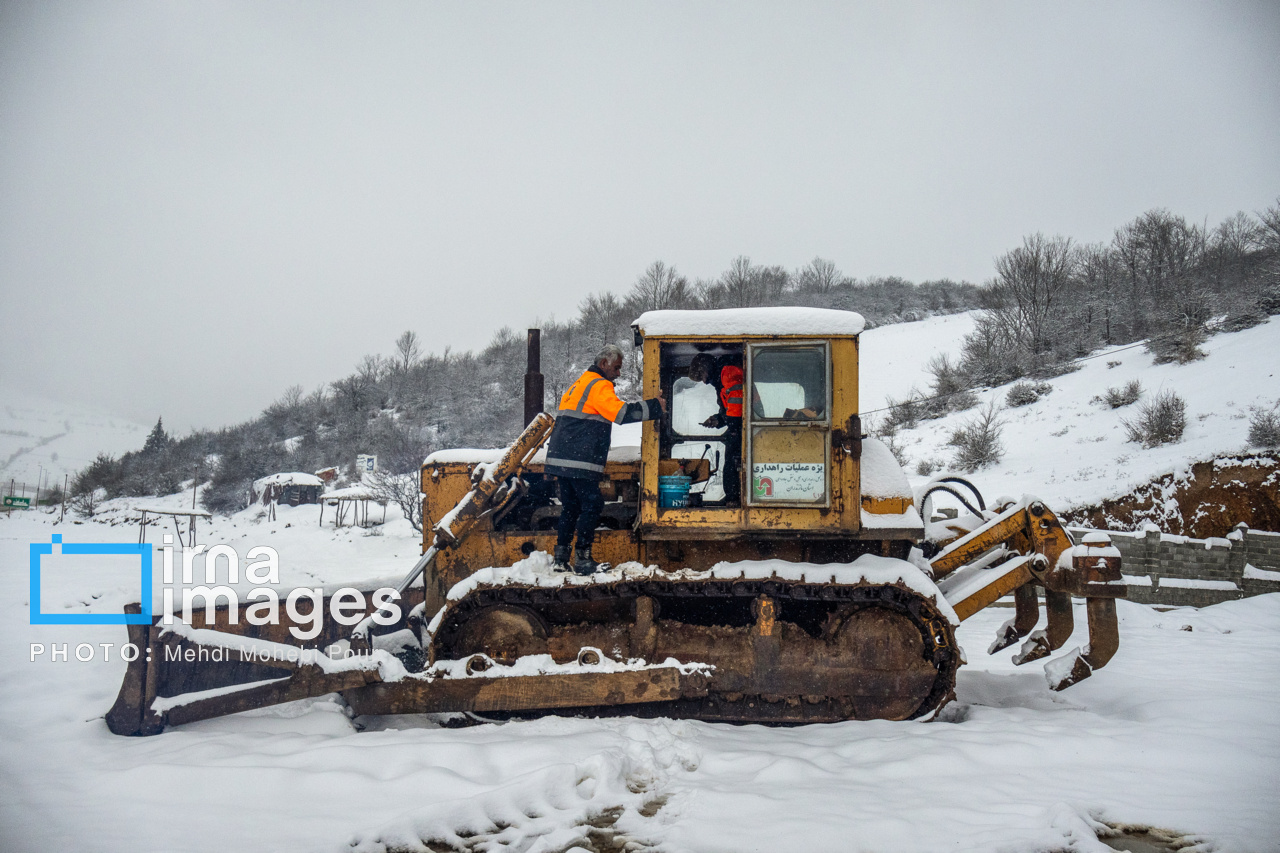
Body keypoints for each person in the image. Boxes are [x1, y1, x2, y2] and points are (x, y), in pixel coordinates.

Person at [545, 344, 666, 574]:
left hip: (561, 459)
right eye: (617, 368)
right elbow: (621, 414)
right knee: (592, 504)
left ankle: (560, 559)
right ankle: (583, 559)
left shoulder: (580, 383)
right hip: (579, 460)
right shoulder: (599, 385)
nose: (619, 374)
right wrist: (654, 407)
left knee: (570, 507)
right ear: (604, 364)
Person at [702, 364, 744, 505]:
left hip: (742, 428)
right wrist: (718, 420)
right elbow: (729, 410)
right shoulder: (720, 383)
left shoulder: (728, 374)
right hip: (739, 426)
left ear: (707, 371)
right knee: (731, 461)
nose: (702, 381)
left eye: (701, 376)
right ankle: (733, 497)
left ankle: (734, 499)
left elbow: (737, 402)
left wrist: (733, 427)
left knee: (733, 462)